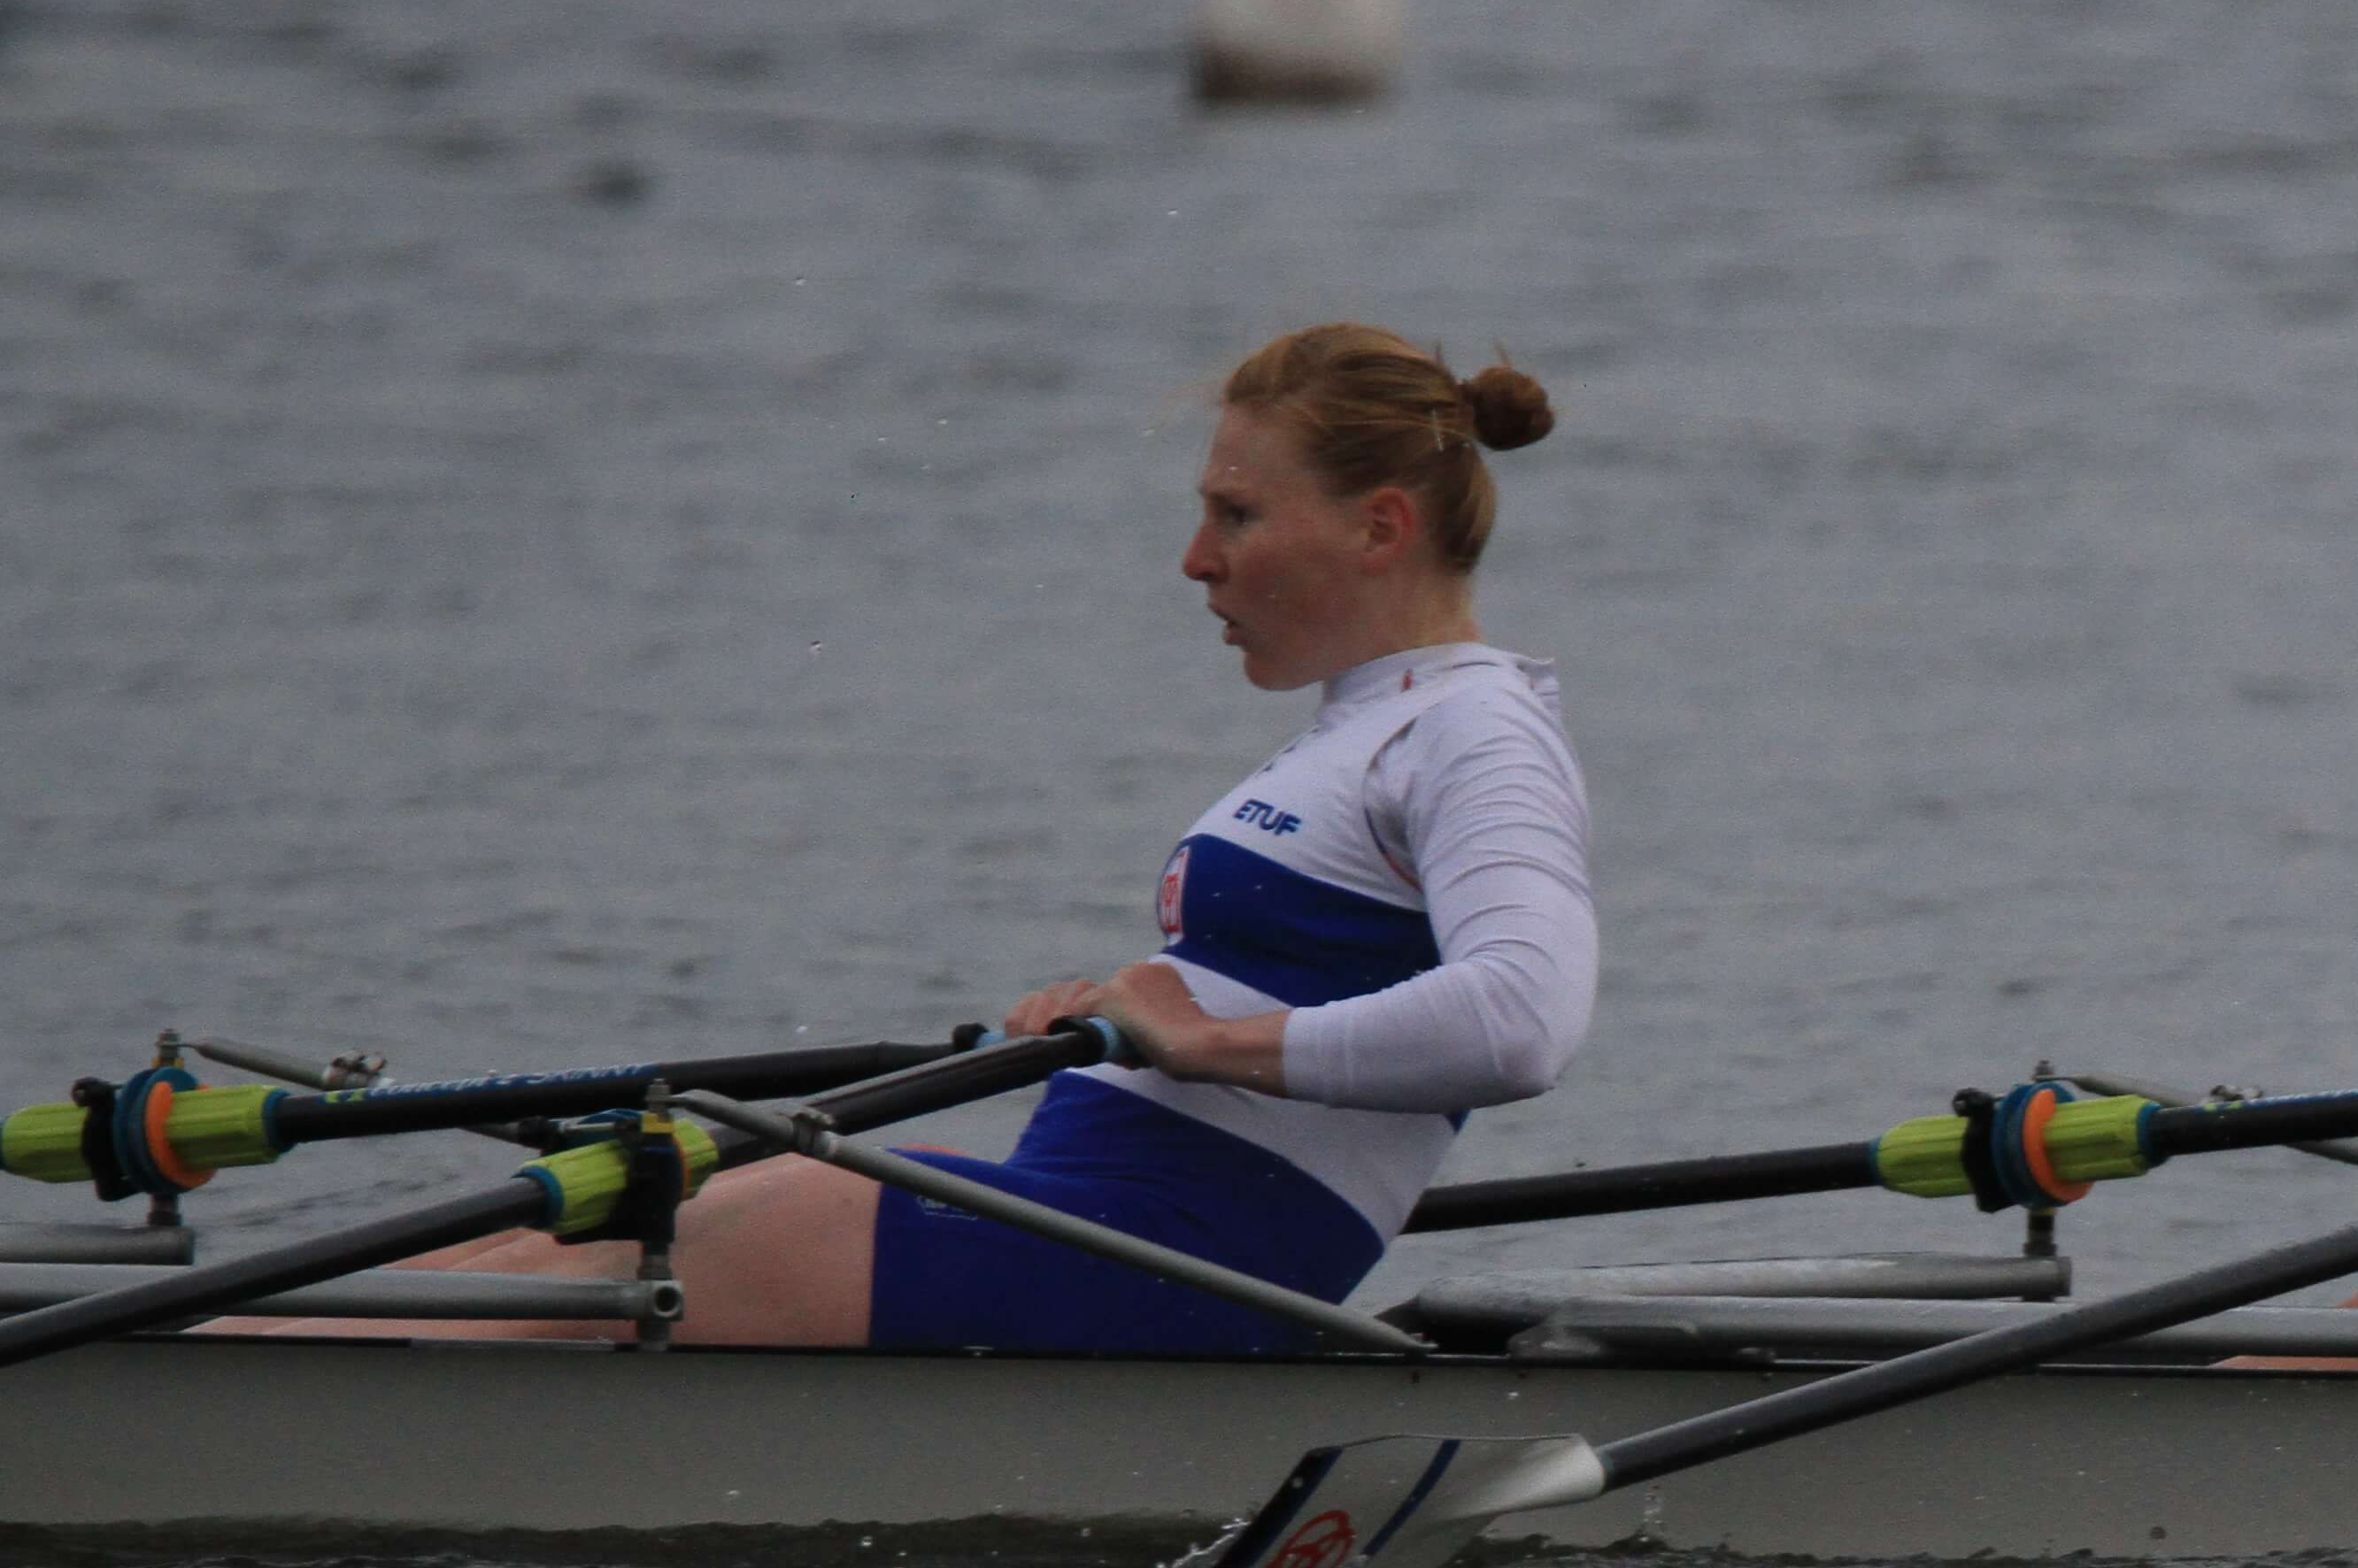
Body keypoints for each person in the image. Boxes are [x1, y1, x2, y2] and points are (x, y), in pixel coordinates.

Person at [255, 324, 1597, 1350]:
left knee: (677, 1224)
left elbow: (1520, 1022)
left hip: (1172, 1272)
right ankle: (182, 1366)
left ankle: (145, 1406)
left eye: (1237, 515)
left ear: (1380, 527)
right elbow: (1305, 979)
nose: (1197, 559)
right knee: (600, 1217)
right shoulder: (1369, 724)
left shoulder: (1476, 735)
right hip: (1088, 1217)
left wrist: (1199, 1040)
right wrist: (1129, 1018)